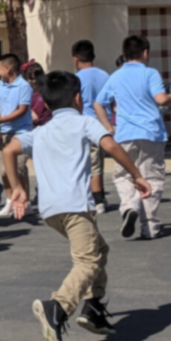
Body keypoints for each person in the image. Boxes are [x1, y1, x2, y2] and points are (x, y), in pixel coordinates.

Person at [4, 71, 153, 341]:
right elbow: (109, 144)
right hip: (76, 207)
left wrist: (16, 189)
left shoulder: (40, 131)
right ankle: (57, 308)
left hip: (50, 212)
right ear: (78, 98)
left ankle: (93, 308)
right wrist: (136, 175)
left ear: (46, 106)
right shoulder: (85, 122)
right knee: (87, 262)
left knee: (100, 249)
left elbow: (9, 150)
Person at [95, 35, 171, 241]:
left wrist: (108, 126)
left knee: (123, 175)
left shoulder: (116, 76)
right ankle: (149, 226)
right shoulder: (150, 73)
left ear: (124, 54)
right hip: (151, 132)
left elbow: (98, 103)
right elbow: (161, 99)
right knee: (152, 176)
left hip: (125, 133)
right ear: (145, 53)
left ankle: (129, 206)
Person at [0, 53, 34, 218]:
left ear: (8, 69)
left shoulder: (24, 86)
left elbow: (22, 110)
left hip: (20, 132)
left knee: (19, 169)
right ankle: (11, 200)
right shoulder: (0, 84)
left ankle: (24, 201)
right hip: (4, 132)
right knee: (4, 170)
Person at [73, 41, 113, 212]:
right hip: (104, 123)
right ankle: (100, 196)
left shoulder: (77, 78)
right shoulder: (105, 75)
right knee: (98, 163)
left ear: (75, 59)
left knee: (87, 164)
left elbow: (75, 101)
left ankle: (96, 200)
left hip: (85, 124)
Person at [24, 61, 52, 127]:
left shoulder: (47, 89)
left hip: (47, 125)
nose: (34, 81)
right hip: (32, 126)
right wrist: (30, 112)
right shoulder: (26, 91)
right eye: (30, 79)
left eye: (36, 78)